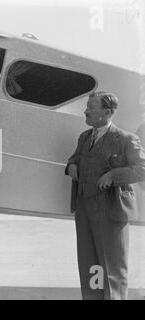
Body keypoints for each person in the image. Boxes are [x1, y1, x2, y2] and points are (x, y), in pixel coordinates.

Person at [65, 91, 145, 300]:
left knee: (112, 268)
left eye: (91, 106)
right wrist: (71, 166)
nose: (86, 110)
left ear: (106, 112)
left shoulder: (126, 139)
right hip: (84, 211)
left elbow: (142, 169)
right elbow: (73, 158)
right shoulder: (85, 137)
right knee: (89, 265)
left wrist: (113, 175)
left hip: (110, 213)